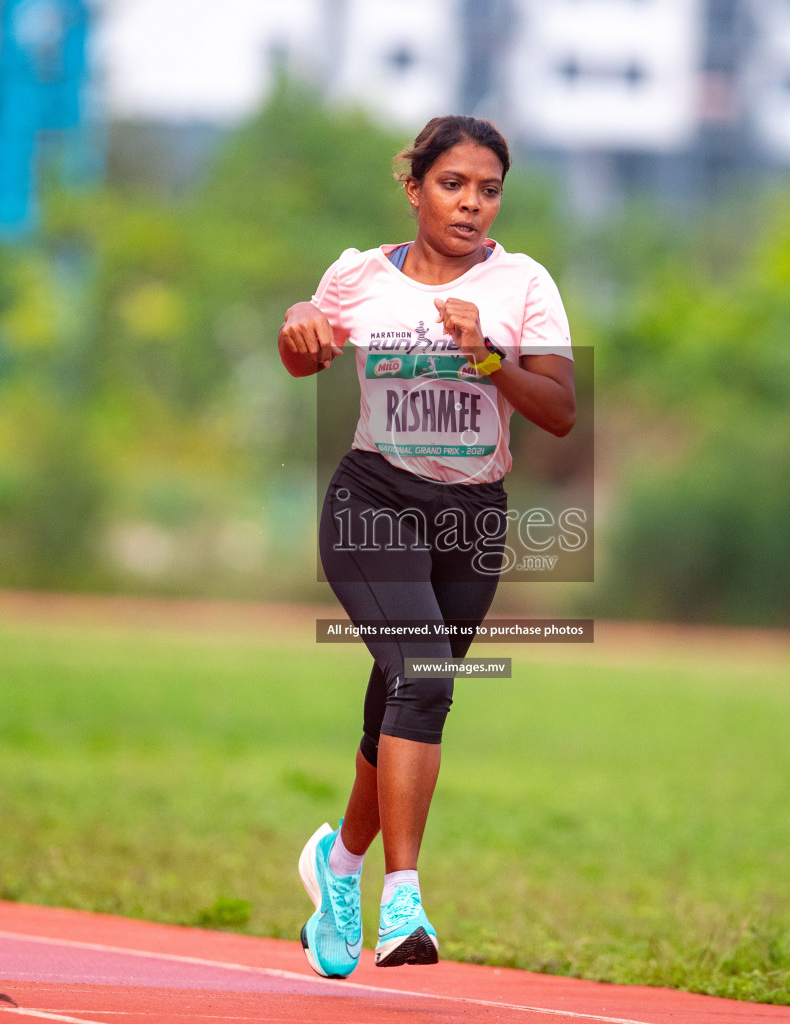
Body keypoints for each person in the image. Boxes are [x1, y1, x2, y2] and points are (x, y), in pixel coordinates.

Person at [277, 115, 576, 978]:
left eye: (488, 190)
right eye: (453, 186)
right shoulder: (360, 275)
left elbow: (557, 410)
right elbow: (307, 354)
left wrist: (486, 357)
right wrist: (300, 317)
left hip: (473, 519)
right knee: (426, 677)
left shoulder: (523, 284)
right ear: (414, 189)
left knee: (403, 703)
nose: (472, 205)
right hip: (374, 503)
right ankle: (402, 898)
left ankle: (336, 867)